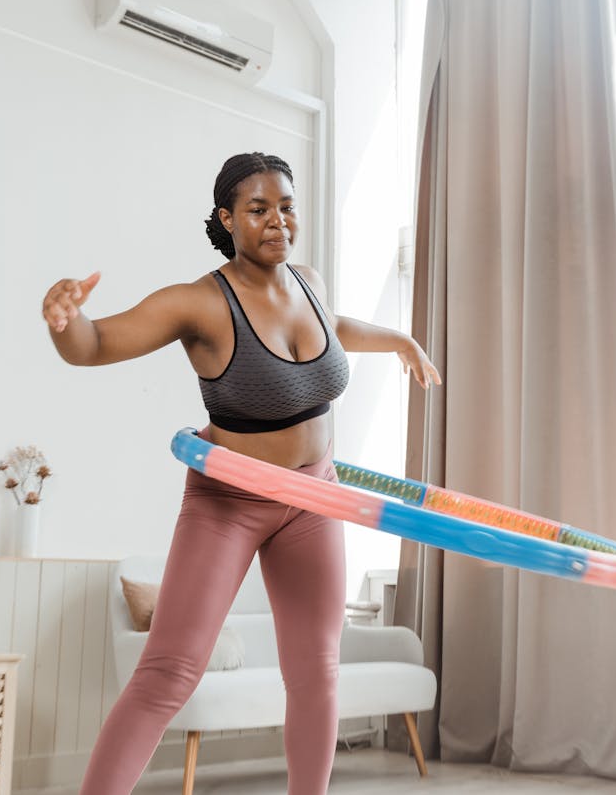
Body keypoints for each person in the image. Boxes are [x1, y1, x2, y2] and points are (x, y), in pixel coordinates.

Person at [42, 152, 441, 795]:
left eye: (286, 206)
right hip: (229, 500)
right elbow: (94, 344)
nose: (277, 220)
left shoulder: (308, 280)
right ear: (227, 219)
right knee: (169, 672)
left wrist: (398, 339)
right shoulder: (200, 303)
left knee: (316, 671)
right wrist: (67, 322)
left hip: (314, 495)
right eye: (258, 209)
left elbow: (330, 329)